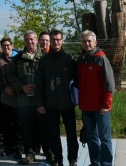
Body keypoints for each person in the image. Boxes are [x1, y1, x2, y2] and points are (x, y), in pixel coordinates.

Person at [6, 31, 53, 165]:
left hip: (41, 100)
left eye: (32, 39)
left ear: (37, 40)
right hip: (24, 101)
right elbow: (10, 75)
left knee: (44, 128)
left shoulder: (45, 56)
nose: (29, 42)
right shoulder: (18, 58)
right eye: (27, 39)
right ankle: (29, 153)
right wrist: (21, 87)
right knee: (26, 128)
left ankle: (48, 153)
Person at [35, 29, 79, 166]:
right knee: (53, 135)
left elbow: (77, 82)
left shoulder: (69, 59)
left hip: (67, 103)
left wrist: (77, 100)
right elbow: (39, 84)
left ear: (62, 41)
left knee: (71, 134)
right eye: (53, 39)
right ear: (50, 41)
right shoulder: (43, 61)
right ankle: (58, 159)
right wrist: (40, 103)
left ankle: (72, 159)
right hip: (50, 104)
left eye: (58, 39)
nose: (56, 42)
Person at [77, 30, 115, 166]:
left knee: (104, 138)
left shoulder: (101, 58)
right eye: (84, 41)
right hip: (86, 107)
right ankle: (95, 162)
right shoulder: (81, 60)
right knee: (91, 136)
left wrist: (106, 104)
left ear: (95, 42)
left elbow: (109, 83)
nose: (87, 43)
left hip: (101, 107)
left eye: (89, 41)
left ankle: (106, 163)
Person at [0, 37, 24, 159]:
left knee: (18, 124)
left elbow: (21, 76)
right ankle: (8, 147)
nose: (6, 48)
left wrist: (15, 88)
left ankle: (19, 148)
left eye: (8, 45)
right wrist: (4, 88)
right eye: (4, 45)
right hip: (4, 96)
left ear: (12, 45)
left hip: (17, 95)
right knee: (5, 124)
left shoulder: (19, 58)